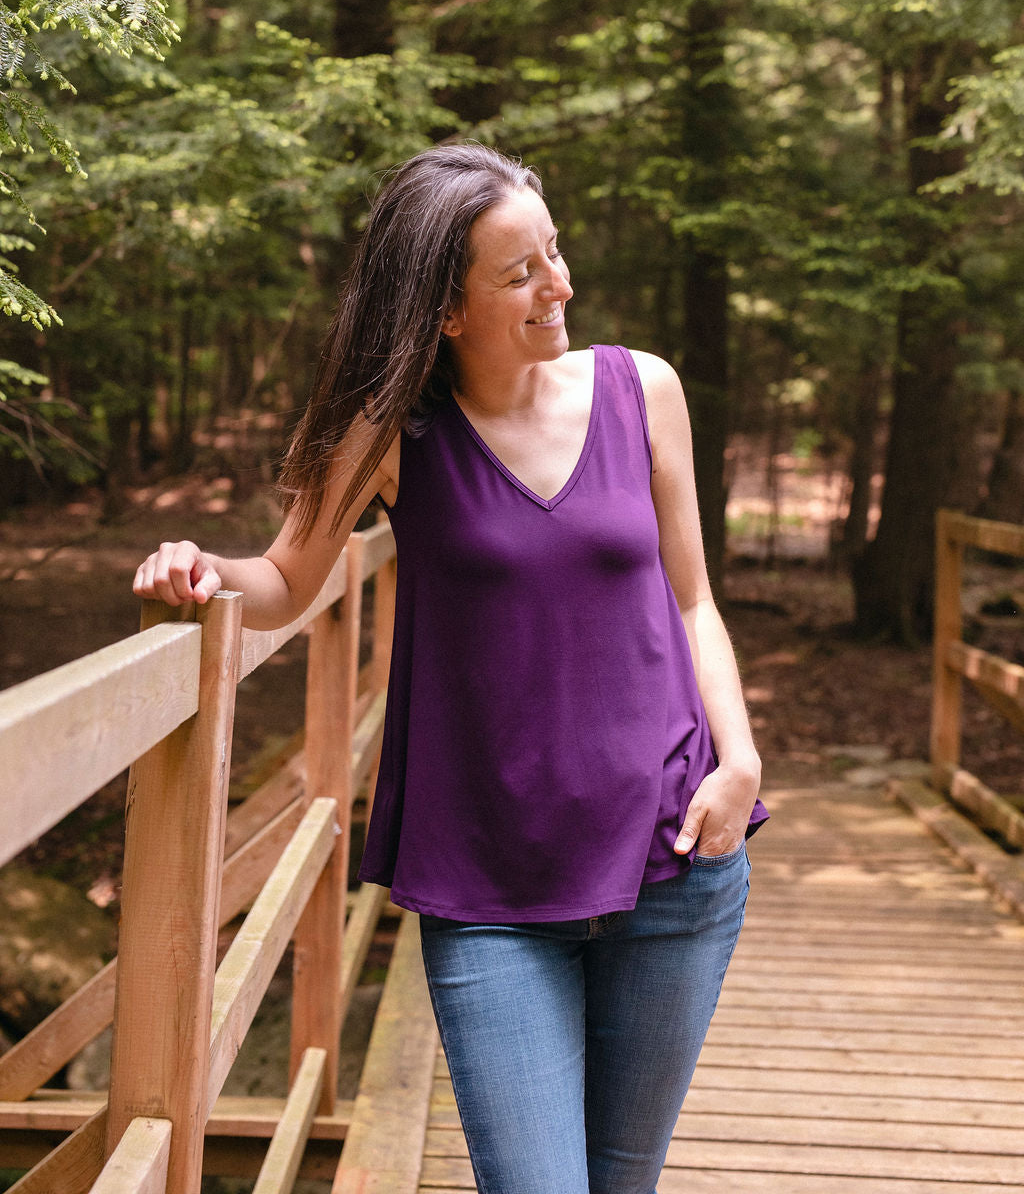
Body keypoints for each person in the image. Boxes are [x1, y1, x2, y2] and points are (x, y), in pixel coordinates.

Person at [134, 142, 768, 1194]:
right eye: (521, 272)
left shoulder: (642, 389)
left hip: (674, 858)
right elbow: (289, 580)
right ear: (445, 310)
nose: (558, 283)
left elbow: (693, 597)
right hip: (489, 885)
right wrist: (204, 572)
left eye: (554, 252)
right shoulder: (391, 434)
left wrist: (739, 762)